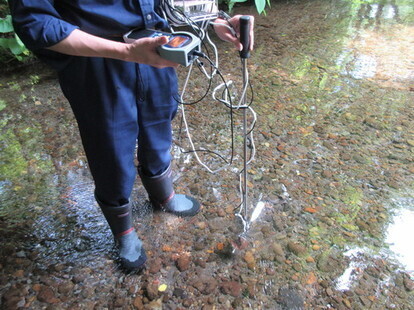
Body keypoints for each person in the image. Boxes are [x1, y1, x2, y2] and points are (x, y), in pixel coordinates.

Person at [9, 0, 254, 271]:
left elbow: (167, 3)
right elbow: (35, 22)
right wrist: (125, 51)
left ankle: (163, 196)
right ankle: (123, 230)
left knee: (160, 122)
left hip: (156, 47)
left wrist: (212, 20)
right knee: (110, 148)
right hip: (94, 60)